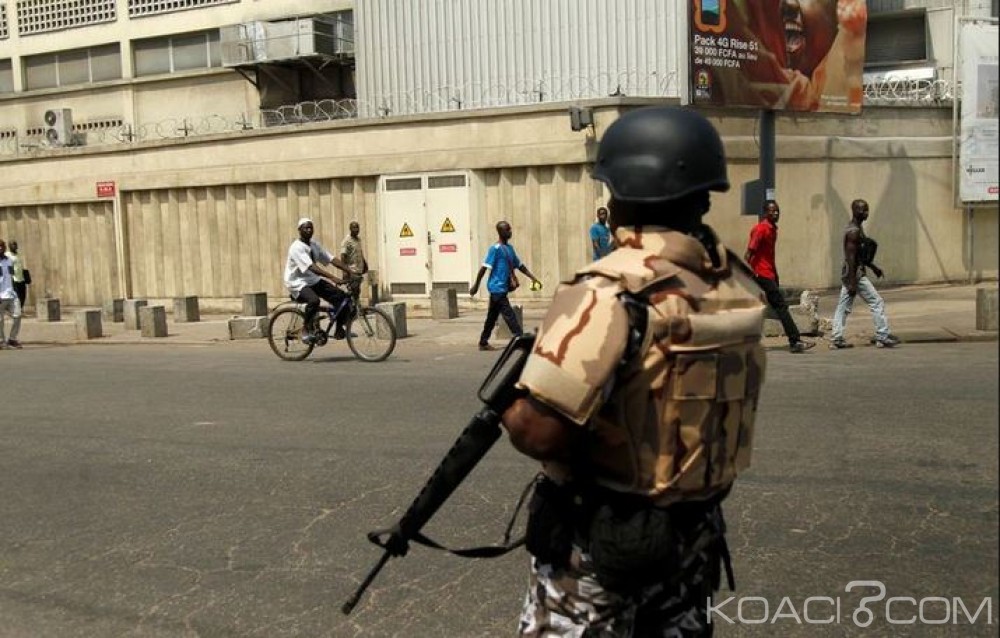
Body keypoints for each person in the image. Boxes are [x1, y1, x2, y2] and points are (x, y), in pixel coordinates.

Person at [501, 106, 767, 636]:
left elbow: (539, 429)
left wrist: (510, 406)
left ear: (624, 193)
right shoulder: (732, 283)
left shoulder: (610, 291)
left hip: (603, 545)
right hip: (693, 538)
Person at [744, 200, 815, 353]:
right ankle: (795, 341)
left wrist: (775, 275)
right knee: (781, 307)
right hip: (761, 274)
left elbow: (770, 256)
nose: (775, 213)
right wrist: (750, 274)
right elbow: (749, 253)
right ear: (765, 212)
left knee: (764, 308)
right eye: (772, 211)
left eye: (777, 211)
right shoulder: (761, 229)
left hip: (768, 274)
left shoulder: (773, 229)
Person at [829, 199, 900, 349]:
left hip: (852, 273)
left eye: (867, 210)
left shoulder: (858, 228)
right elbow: (851, 257)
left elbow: (860, 255)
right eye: (863, 210)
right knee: (877, 302)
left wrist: (873, 267)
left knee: (843, 306)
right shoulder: (853, 231)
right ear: (854, 211)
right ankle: (882, 335)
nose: (866, 213)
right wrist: (853, 282)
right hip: (855, 274)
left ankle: (837, 338)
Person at [469, 221, 540, 351]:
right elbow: (484, 268)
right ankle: (521, 338)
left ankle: (483, 342)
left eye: (510, 229)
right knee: (509, 315)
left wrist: (533, 278)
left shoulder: (510, 249)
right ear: (501, 232)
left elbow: (520, 266)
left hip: (502, 288)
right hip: (496, 288)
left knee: (492, 317)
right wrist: (476, 286)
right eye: (507, 230)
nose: (510, 232)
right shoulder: (495, 249)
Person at [283, 218, 354, 343]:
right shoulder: (296, 248)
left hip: (312, 279)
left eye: (311, 227)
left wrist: (350, 271)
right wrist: (332, 277)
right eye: (306, 228)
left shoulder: (314, 244)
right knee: (314, 300)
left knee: (342, 297)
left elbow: (331, 259)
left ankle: (338, 329)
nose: (309, 230)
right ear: (299, 230)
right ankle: (305, 329)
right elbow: (312, 267)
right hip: (297, 282)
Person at [0, 239, 23, 349]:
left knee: (17, 315)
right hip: (0, 295)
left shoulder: (8, 261)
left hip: (11, 294)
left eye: (1, 246)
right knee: (0, 320)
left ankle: (12, 339)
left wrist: (15, 291)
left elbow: (11, 277)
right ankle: (1, 341)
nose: (0, 248)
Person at [340, 221, 369, 303]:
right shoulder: (347, 241)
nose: (356, 229)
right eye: (354, 227)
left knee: (357, 291)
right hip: (352, 271)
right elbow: (343, 256)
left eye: (357, 227)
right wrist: (345, 272)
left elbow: (359, 252)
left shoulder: (358, 239)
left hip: (358, 270)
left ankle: (355, 308)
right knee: (353, 291)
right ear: (350, 229)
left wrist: (364, 263)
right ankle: (353, 308)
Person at [9, 240, 27, 309]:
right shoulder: (8, 255)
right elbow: (9, 267)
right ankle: (16, 311)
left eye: (15, 244)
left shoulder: (18, 255)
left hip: (21, 278)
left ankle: (19, 309)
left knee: (23, 296)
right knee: (17, 296)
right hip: (14, 279)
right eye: (13, 244)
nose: (15, 246)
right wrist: (10, 277)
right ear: (9, 246)